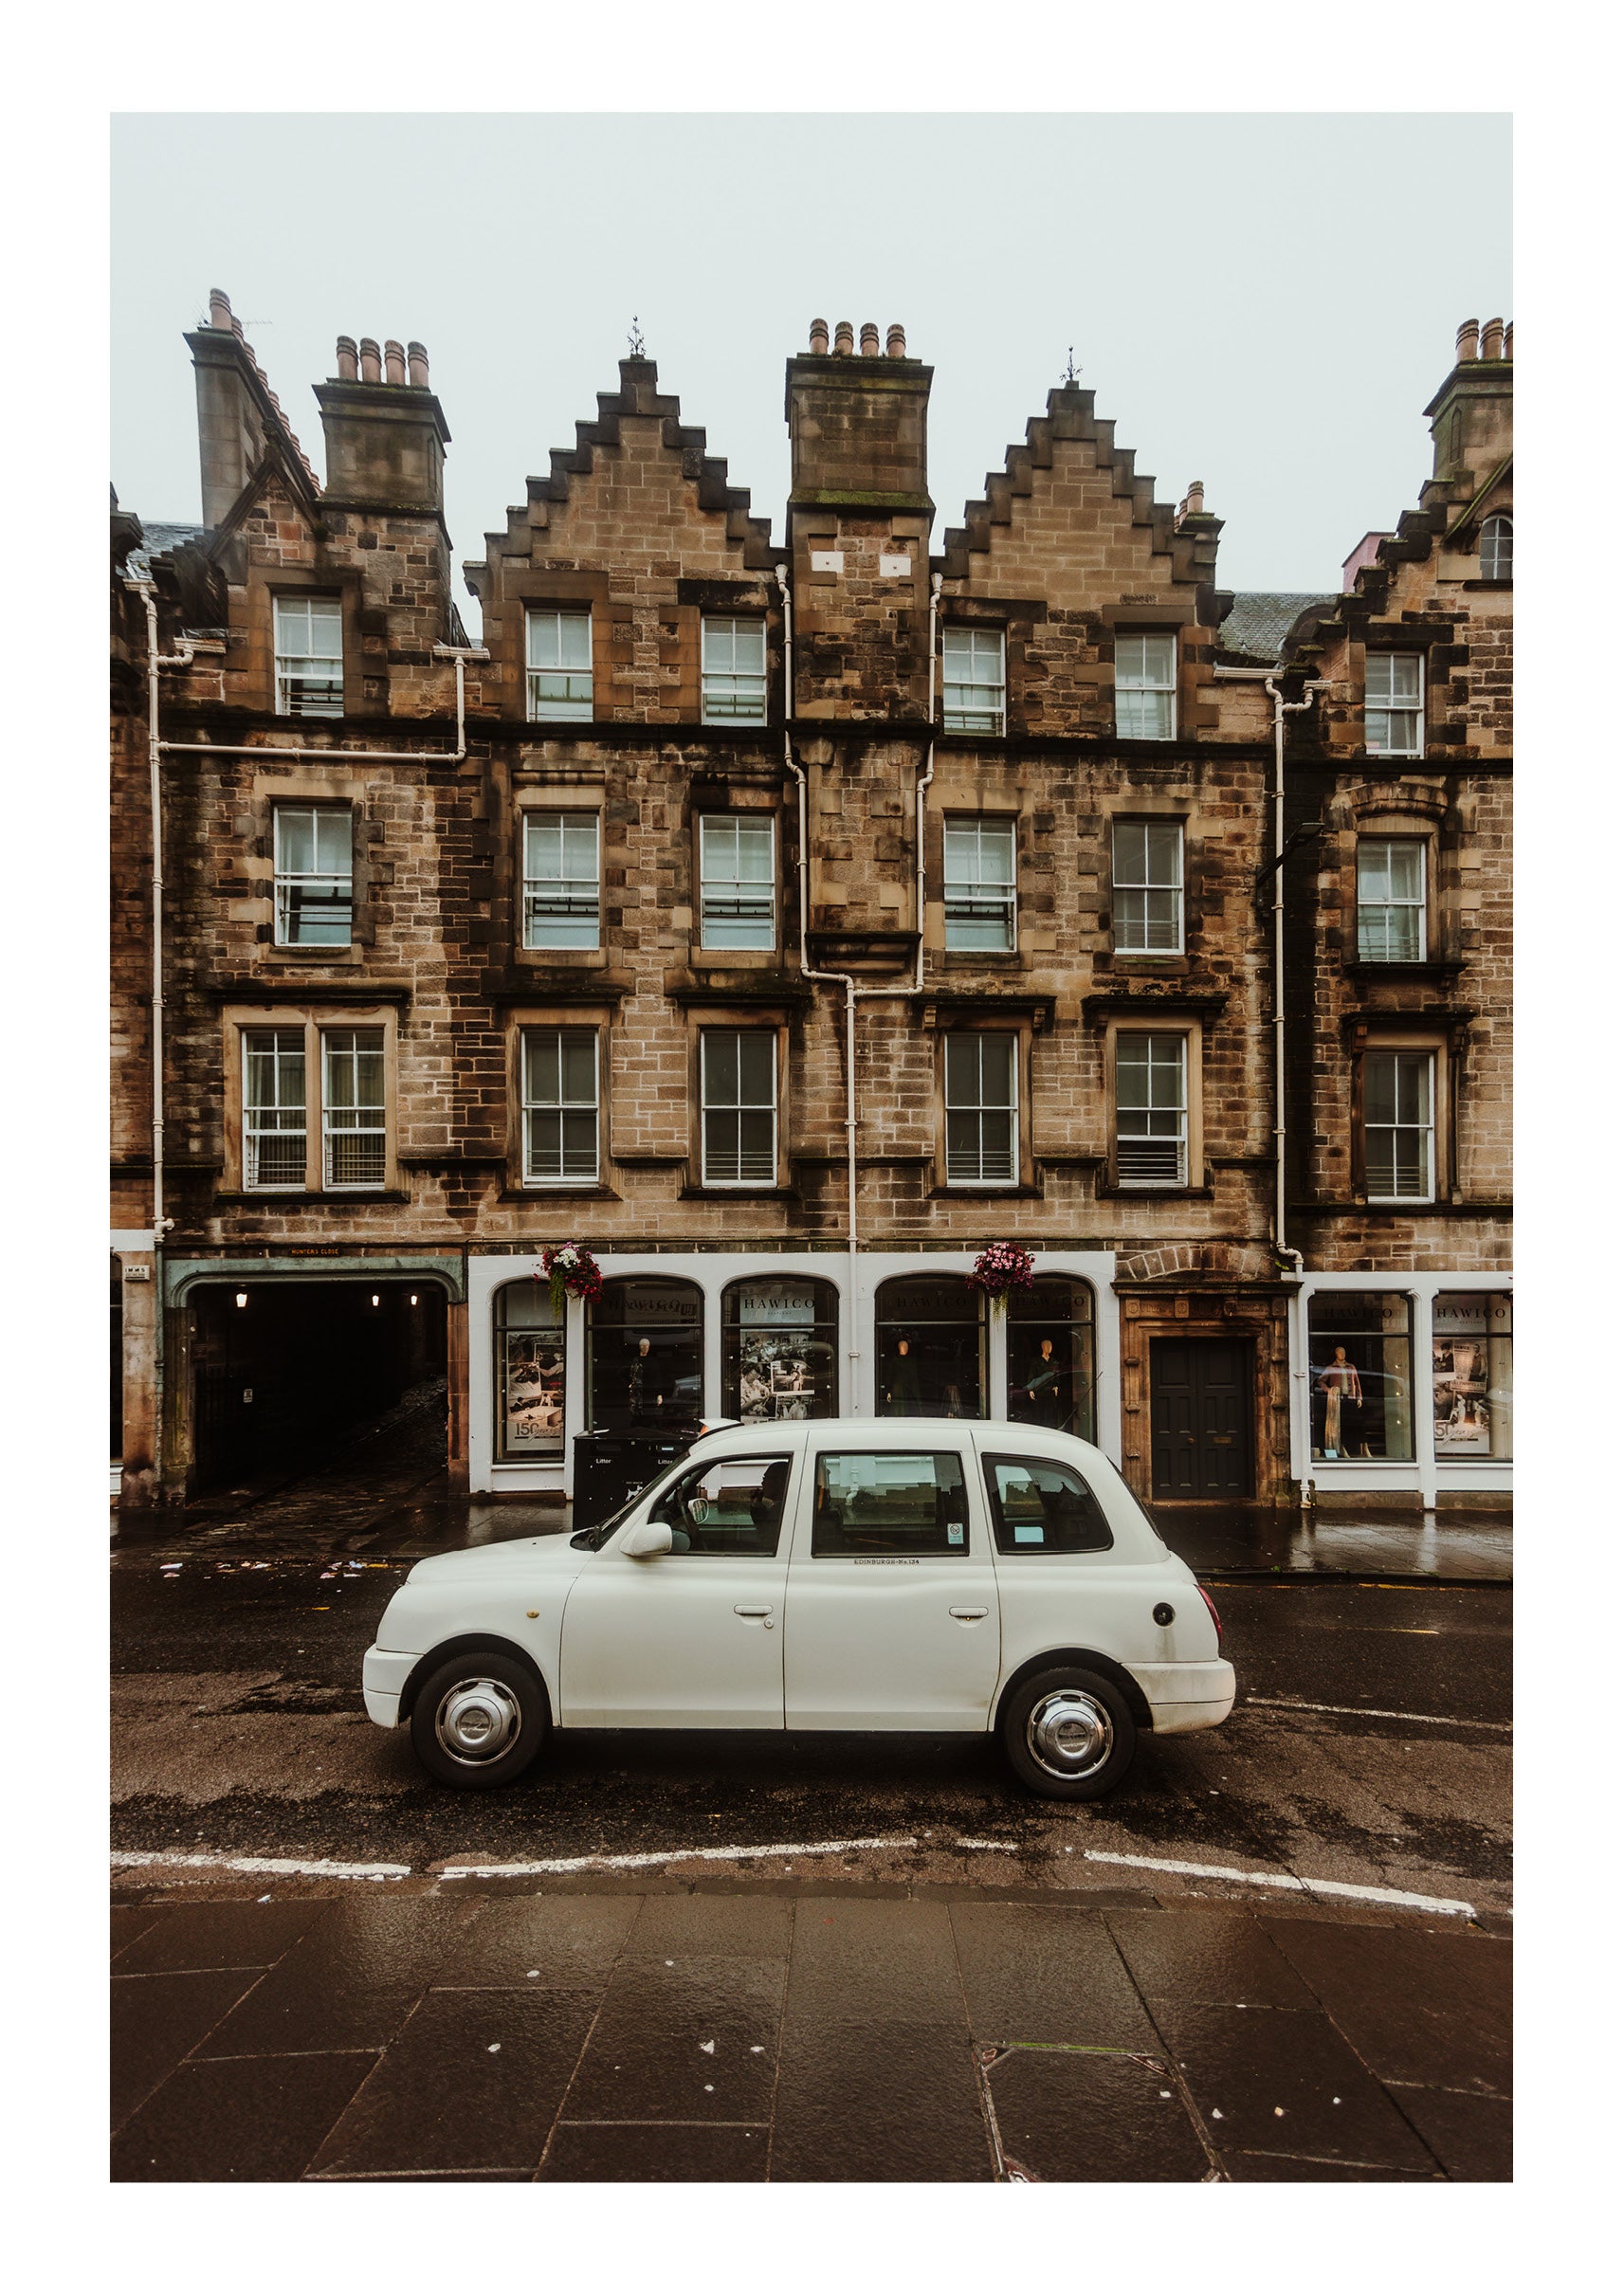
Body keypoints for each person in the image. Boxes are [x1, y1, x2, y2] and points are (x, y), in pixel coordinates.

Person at [1317, 1346, 1362, 1457]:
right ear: (1336, 1354)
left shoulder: (1351, 1367)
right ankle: (1341, 1447)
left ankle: (1354, 1448)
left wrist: (1359, 1397)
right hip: (1338, 1399)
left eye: (1344, 1352)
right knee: (1340, 1424)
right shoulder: (1331, 1367)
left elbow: (1356, 1382)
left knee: (1353, 1423)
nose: (1342, 1354)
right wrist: (1329, 1390)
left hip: (1350, 1398)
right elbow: (1320, 1381)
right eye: (1340, 1352)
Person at [883, 1337, 921, 1416]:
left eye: (906, 1346)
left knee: (907, 1407)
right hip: (897, 1388)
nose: (904, 1348)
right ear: (899, 1348)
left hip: (908, 1388)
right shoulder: (894, 1360)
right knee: (897, 1407)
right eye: (902, 1346)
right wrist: (888, 1391)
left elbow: (914, 1378)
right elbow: (889, 1376)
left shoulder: (911, 1361)